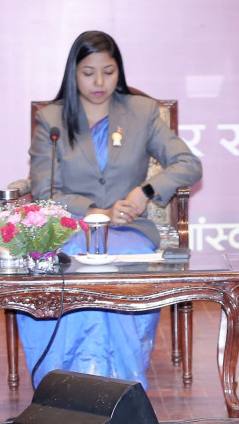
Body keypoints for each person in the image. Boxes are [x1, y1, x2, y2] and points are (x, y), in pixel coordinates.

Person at [23, 30, 203, 388]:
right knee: (73, 263)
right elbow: (44, 190)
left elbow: (188, 163)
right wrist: (97, 213)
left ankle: (117, 384)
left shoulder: (141, 112)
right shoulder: (52, 119)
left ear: (119, 71)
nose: (99, 82)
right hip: (70, 228)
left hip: (128, 230)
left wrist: (145, 192)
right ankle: (65, 384)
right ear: (73, 73)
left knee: (122, 264)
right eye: (88, 73)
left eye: (108, 71)